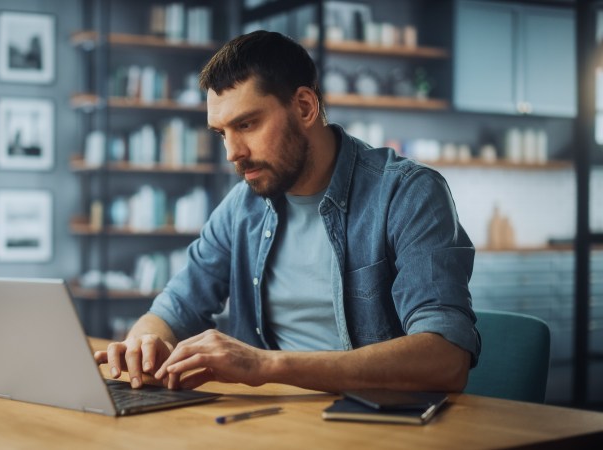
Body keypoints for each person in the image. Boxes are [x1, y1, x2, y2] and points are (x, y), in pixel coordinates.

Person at [94, 30, 480, 393]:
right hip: (270, 424)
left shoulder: (406, 194)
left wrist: (267, 366)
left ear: (305, 107)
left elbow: (445, 358)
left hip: (374, 427)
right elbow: (175, 307)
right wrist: (145, 342)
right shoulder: (240, 207)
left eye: (246, 124)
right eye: (222, 133)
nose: (232, 153)